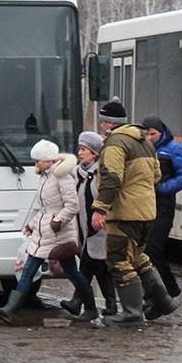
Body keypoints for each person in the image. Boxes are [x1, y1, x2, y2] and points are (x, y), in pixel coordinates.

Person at [0, 140, 98, 324]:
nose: (35, 164)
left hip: (58, 233)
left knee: (65, 273)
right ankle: (9, 309)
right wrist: (31, 224)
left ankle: (10, 309)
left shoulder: (62, 176)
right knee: (37, 270)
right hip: (45, 232)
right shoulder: (46, 176)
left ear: (48, 160)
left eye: (38, 160)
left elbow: (72, 205)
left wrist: (57, 221)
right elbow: (43, 207)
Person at [92, 97, 178, 325]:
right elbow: (157, 176)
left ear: (109, 123)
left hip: (124, 213)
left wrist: (100, 208)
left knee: (118, 260)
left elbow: (112, 177)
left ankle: (131, 313)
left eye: (103, 122)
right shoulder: (146, 142)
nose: (102, 127)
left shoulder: (115, 144)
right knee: (139, 258)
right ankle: (163, 301)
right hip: (147, 211)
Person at [60, 131, 119, 317]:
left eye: (83, 149)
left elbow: (107, 196)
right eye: (79, 148)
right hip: (83, 227)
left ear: (94, 153)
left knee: (88, 265)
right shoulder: (78, 172)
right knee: (100, 268)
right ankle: (110, 305)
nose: (80, 152)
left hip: (98, 228)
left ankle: (80, 302)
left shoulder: (101, 173)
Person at [141, 115, 182, 299]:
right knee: (144, 249)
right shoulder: (142, 149)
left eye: (152, 134)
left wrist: (163, 188)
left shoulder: (173, 149)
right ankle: (154, 290)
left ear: (160, 133)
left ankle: (168, 287)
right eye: (146, 134)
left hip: (163, 204)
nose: (149, 138)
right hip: (144, 204)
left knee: (153, 248)